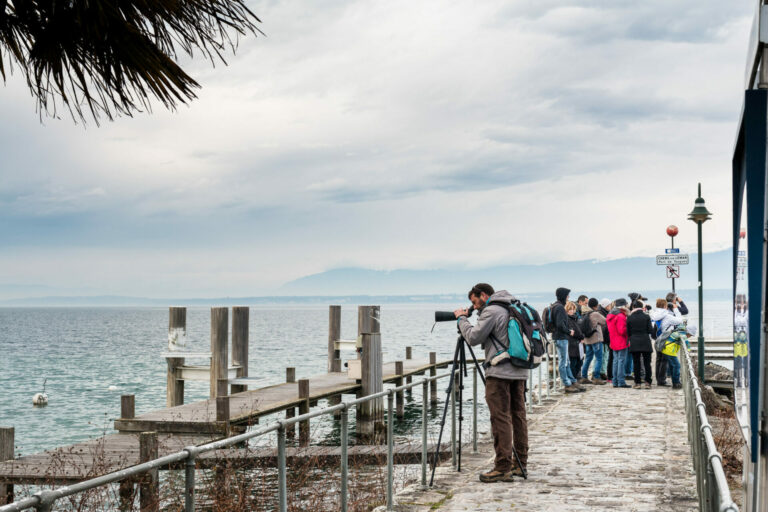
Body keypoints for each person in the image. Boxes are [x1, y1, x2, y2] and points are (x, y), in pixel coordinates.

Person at [455, 283, 529, 482]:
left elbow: (473, 337)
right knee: (519, 416)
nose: (475, 306)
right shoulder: (512, 306)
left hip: (499, 372)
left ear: (484, 295)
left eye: (475, 301)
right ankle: (520, 463)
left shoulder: (492, 311)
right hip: (520, 370)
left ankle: (502, 466)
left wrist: (462, 319)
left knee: (500, 418)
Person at [551, 288, 584, 393]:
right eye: (568, 295)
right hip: (561, 337)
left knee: (567, 361)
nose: (568, 297)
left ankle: (572, 381)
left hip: (559, 337)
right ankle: (567, 383)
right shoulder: (560, 308)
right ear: (564, 295)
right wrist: (569, 331)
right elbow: (560, 324)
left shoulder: (555, 306)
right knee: (563, 362)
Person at [650, 298, 685, 388]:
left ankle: (658, 378)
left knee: (658, 360)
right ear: (665, 306)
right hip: (666, 340)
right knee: (664, 361)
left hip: (657, 339)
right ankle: (662, 380)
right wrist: (675, 309)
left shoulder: (654, 314)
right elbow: (680, 320)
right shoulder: (667, 316)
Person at [626, 300, 655, 389]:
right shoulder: (646, 316)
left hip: (634, 341)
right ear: (642, 307)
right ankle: (648, 382)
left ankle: (637, 383)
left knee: (636, 363)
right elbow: (650, 330)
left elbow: (628, 332)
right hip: (645, 341)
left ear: (633, 307)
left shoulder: (629, 317)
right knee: (647, 363)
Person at [579, 298, 607, 384]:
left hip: (587, 339)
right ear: (596, 305)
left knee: (588, 358)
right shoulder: (595, 314)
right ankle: (596, 377)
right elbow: (605, 321)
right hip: (596, 339)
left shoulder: (585, 313)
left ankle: (583, 377)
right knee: (599, 358)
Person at [607, 298, 631, 388]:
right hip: (621, 340)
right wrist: (629, 331)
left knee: (616, 361)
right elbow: (622, 330)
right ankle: (621, 381)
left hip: (613, 340)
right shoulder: (620, 316)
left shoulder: (610, 314)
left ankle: (615, 381)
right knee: (621, 361)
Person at [566, 301, 585, 379]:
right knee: (573, 363)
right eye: (570, 309)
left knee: (579, 362)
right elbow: (573, 332)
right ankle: (573, 379)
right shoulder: (568, 319)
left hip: (577, 344)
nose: (572, 311)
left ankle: (575, 379)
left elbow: (577, 330)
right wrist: (581, 336)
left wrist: (581, 336)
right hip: (572, 344)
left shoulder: (574, 318)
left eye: (573, 309)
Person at [599, 298, 612, 381]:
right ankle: (602, 372)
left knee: (605, 356)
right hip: (603, 338)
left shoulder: (605, 312)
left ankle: (603, 371)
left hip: (605, 338)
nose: (610, 306)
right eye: (609, 305)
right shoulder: (602, 313)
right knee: (603, 356)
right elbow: (604, 327)